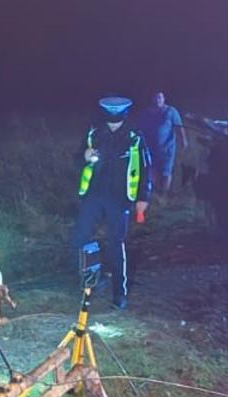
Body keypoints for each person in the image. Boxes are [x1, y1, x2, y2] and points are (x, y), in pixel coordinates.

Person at [72, 95, 151, 310]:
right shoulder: (94, 133)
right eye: (109, 112)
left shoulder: (134, 136)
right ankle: (89, 281)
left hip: (120, 198)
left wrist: (143, 198)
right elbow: (78, 158)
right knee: (80, 238)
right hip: (93, 196)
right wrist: (85, 156)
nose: (113, 117)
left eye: (118, 113)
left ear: (125, 113)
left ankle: (119, 293)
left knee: (116, 244)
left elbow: (145, 168)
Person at [135, 91, 185, 197]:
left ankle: (164, 194)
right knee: (152, 169)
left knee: (166, 171)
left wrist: (183, 141)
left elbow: (179, 127)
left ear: (164, 98)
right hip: (151, 147)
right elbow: (139, 128)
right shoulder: (146, 112)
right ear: (151, 99)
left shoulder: (171, 111)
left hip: (167, 147)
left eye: (160, 97)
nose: (158, 100)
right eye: (156, 98)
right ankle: (153, 192)